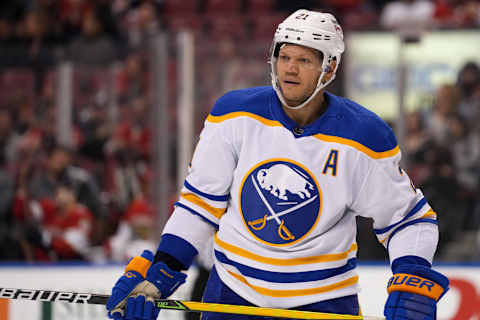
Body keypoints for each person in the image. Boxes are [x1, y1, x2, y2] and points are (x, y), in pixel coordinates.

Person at [106, 9, 449, 320]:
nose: (290, 68)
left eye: (303, 60)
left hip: (323, 302)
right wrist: (162, 269)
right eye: (283, 56)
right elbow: (198, 206)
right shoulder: (234, 116)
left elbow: (409, 219)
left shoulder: (364, 136)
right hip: (232, 297)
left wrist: (412, 275)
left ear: (329, 67)